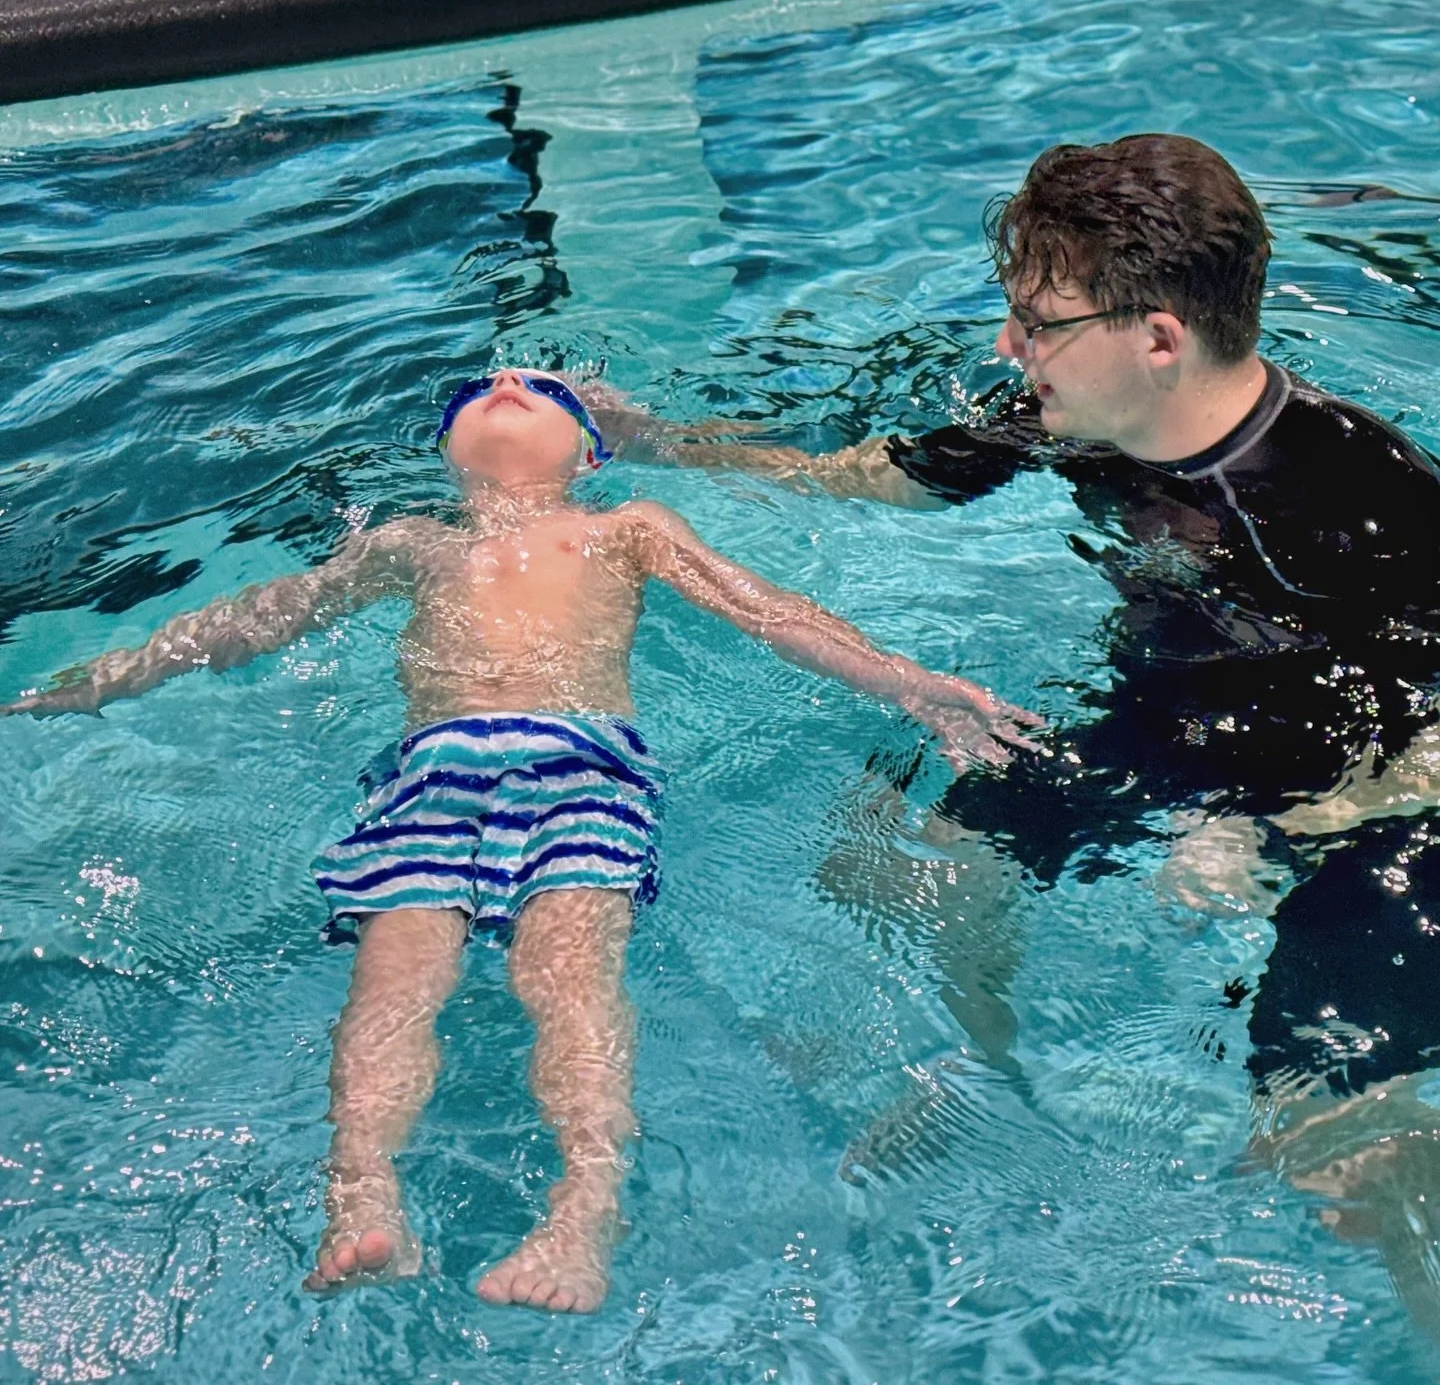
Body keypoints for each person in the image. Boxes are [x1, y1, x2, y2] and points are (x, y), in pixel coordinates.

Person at [591, 134, 1440, 1332]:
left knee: (1323, 1139)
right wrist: (655, 444)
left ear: (1159, 338)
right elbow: (878, 476)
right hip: (1175, 725)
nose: (1008, 347)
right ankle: (975, 1082)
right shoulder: (1082, 413)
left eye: (1039, 321)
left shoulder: (1357, 497)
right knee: (904, 858)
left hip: (1382, 810)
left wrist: (1276, 825)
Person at [2, 367, 1035, 1313]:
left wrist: (905, 679)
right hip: (427, 779)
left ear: (590, 453)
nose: (503, 380)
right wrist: (105, 678)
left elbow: (763, 609)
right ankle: (365, 1200)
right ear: (446, 454)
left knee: (567, 981)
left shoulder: (624, 524)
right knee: (391, 987)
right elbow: (259, 616)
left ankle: (585, 1213)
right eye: (474, 389)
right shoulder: (406, 542)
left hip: (578, 767)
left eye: (536, 387)